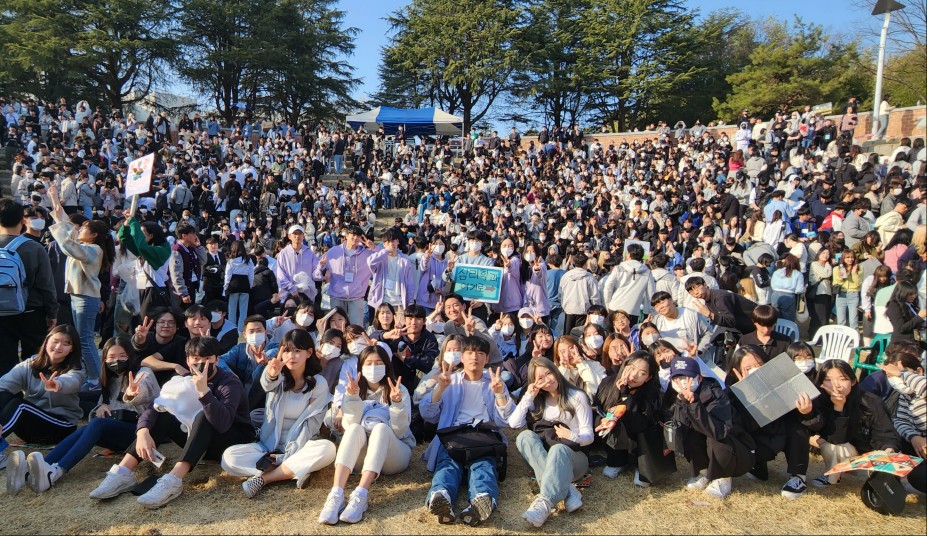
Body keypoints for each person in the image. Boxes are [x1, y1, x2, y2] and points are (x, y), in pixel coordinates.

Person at [88, 336, 256, 508]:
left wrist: (205, 393)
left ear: (217, 360)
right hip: (199, 443)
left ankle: (173, 479)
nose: (201, 363)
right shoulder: (183, 380)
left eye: (207, 358)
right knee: (165, 410)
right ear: (188, 361)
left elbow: (223, 424)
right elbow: (156, 406)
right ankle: (123, 471)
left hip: (231, 442)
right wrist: (143, 431)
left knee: (204, 414)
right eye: (196, 358)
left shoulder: (229, 383)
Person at [6, 336, 158, 495]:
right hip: (118, 431)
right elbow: (99, 410)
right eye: (111, 357)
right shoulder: (110, 379)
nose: (116, 361)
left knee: (97, 424)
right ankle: (36, 470)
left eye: (122, 356)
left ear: (130, 356)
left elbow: (145, 393)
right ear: (104, 359)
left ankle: (56, 472)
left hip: (141, 433)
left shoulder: (143, 373)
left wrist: (133, 394)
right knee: (86, 428)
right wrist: (100, 407)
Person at [221, 329, 335, 496]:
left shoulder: (318, 383)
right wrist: (271, 374)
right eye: (287, 351)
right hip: (268, 448)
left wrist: (284, 456)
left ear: (309, 353)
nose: (291, 356)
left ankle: (265, 478)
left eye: (297, 351)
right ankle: (295, 471)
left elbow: (311, 424)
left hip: (301, 445)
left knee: (327, 449)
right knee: (229, 458)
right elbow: (267, 384)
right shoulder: (278, 376)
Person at [421, 336, 515, 527]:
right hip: (453, 436)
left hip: (484, 436)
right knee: (448, 465)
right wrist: (440, 388)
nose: (475, 357)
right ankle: (440, 496)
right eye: (470, 352)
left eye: (480, 353)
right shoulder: (450, 381)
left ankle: (482, 499)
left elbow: (506, 420)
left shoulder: (494, 382)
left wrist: (499, 394)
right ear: (462, 357)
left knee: (483, 465)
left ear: (486, 359)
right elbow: (428, 414)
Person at [318, 345, 415, 525]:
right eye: (368, 363)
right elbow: (349, 425)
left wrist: (397, 403)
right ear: (361, 367)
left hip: (393, 456)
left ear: (387, 365)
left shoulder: (398, 390)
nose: (373, 367)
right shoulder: (353, 389)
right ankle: (336, 494)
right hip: (361, 457)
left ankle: (361, 494)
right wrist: (352, 398)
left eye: (378, 363)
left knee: (381, 429)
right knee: (355, 428)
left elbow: (400, 431)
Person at [46, 183, 115, 388]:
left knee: (85, 339)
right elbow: (66, 225)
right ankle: (91, 375)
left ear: (94, 234)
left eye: (84, 228)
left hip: (85, 298)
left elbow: (68, 245)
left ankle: (96, 379)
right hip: (78, 296)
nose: (79, 229)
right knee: (81, 338)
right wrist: (54, 199)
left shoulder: (93, 249)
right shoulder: (86, 244)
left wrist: (63, 229)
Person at [509, 358, 592, 527]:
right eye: (540, 378)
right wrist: (529, 396)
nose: (547, 380)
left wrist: (572, 436)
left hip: (573, 458)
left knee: (558, 449)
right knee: (524, 436)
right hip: (547, 459)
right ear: (535, 382)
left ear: (555, 370)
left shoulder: (577, 396)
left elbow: (589, 436)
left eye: (549, 373)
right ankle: (569, 490)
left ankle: (544, 504)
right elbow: (514, 423)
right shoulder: (538, 399)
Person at [725, 346, 814, 499]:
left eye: (759, 365)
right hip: (755, 443)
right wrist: (747, 394)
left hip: (780, 434)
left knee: (797, 424)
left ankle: (798, 476)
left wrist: (807, 412)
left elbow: (812, 422)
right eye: (748, 368)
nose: (755, 371)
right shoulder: (732, 392)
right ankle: (757, 467)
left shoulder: (783, 383)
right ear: (737, 371)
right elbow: (741, 425)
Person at [668, 356, 755, 499]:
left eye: (687, 377)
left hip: (736, 449)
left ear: (699, 378)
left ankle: (722, 478)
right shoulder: (679, 397)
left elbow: (718, 431)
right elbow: (681, 429)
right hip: (709, 444)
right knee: (689, 433)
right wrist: (684, 404)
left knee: (714, 437)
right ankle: (703, 472)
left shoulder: (716, 395)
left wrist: (694, 404)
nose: (682, 382)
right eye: (677, 378)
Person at [804, 360, 901, 487]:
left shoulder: (870, 401)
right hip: (841, 449)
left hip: (868, 452)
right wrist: (838, 407)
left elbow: (886, 432)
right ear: (821, 383)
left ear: (853, 381)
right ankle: (832, 476)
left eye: (843, 379)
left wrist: (888, 449)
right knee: (832, 446)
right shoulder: (818, 401)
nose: (836, 385)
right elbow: (836, 439)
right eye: (828, 380)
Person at [0, 326, 85, 470]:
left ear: (72, 349)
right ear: (46, 342)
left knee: (20, 405)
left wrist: (58, 384)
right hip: (32, 427)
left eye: (66, 343)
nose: (59, 347)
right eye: (55, 341)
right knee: (5, 395)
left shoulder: (76, 367)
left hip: (61, 426)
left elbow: (73, 381)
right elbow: (4, 384)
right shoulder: (30, 364)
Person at [0, 198, 58, 376]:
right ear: (22, 221)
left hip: (1, 311)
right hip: (31, 309)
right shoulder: (34, 248)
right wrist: (52, 313)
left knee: (4, 361)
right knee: (34, 359)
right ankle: (33, 390)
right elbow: (46, 284)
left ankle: (6, 391)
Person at [593, 352, 664, 486]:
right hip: (616, 436)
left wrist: (625, 395)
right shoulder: (607, 382)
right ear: (624, 366)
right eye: (631, 368)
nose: (634, 375)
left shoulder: (652, 393)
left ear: (648, 378)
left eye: (642, 373)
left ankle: (641, 466)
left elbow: (639, 424)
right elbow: (598, 409)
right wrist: (603, 420)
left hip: (642, 441)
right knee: (615, 422)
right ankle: (618, 461)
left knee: (632, 422)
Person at [315, 225, 377, 326]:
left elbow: (384, 257)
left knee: (355, 328)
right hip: (337, 297)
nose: (355, 238)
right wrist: (321, 266)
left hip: (357, 297)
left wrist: (374, 248)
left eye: (358, 236)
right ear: (347, 235)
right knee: (337, 327)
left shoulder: (367, 254)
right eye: (353, 235)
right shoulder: (333, 251)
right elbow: (317, 274)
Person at [219, 315, 279, 412]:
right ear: (245, 334)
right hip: (243, 392)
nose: (255, 334)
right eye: (251, 331)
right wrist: (231, 374)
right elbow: (220, 360)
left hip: (265, 395)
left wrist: (266, 361)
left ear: (266, 332)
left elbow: (273, 353)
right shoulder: (240, 349)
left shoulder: (275, 347)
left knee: (262, 369)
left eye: (259, 331)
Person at [118, 214, 172, 320]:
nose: (139, 236)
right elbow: (125, 238)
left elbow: (142, 247)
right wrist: (126, 224)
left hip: (154, 291)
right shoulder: (146, 248)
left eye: (142, 233)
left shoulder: (163, 249)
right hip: (141, 288)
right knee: (139, 321)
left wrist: (134, 223)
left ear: (151, 235)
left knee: (148, 321)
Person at [684, 276, 757, 336]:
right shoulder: (708, 300)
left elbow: (730, 321)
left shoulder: (720, 297)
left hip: (757, 325)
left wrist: (709, 314)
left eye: (697, 287)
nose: (695, 292)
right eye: (691, 291)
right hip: (747, 330)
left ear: (705, 285)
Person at [602, 243, 656, 317]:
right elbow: (651, 293)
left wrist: (607, 303)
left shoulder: (618, 268)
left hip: (615, 306)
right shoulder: (647, 272)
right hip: (633, 310)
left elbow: (608, 286)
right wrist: (652, 311)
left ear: (629, 254)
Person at [559, 252, 602, 335]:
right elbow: (594, 296)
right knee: (581, 335)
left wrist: (563, 305)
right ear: (585, 263)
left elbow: (560, 293)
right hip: (583, 310)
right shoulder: (589, 277)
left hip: (568, 309)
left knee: (567, 335)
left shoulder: (566, 276)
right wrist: (596, 309)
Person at [224, 240, 255, 333]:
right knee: (243, 311)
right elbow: (251, 275)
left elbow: (227, 275)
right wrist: (250, 285)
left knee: (232, 310)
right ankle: (241, 331)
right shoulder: (248, 260)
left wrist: (225, 287)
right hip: (245, 285)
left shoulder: (231, 261)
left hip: (233, 286)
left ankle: (231, 330)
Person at [769, 254, 805, 322]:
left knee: (775, 317)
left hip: (775, 295)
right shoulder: (798, 274)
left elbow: (772, 284)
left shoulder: (777, 272)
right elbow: (799, 290)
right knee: (788, 319)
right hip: (789, 296)